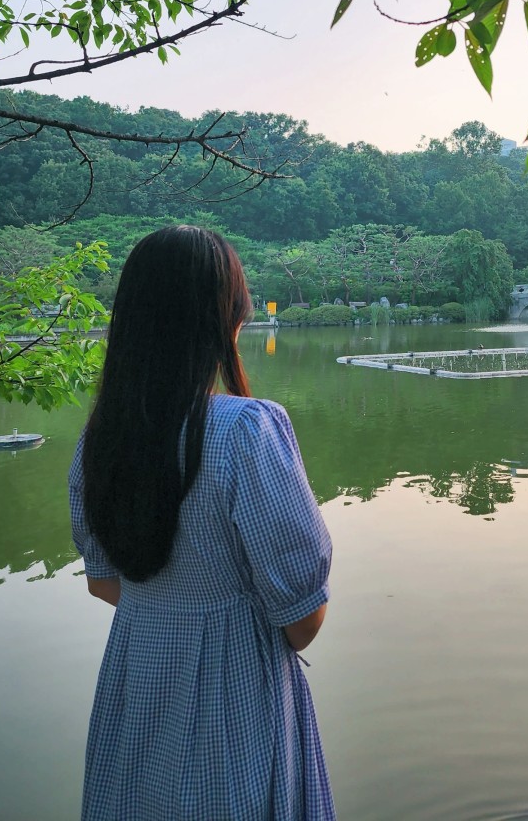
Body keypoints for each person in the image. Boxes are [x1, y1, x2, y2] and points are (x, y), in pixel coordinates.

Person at [69, 225, 334, 821]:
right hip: (236, 702)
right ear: (228, 321)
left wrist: (173, 616)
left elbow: (103, 581)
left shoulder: (99, 443)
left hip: (136, 694)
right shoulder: (246, 431)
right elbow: (302, 620)